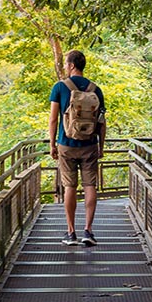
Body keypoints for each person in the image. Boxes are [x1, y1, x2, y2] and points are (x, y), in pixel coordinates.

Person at [48, 49, 106, 246]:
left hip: (67, 145)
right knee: (90, 186)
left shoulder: (60, 87)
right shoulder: (95, 89)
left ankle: (71, 232)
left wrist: (52, 144)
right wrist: (101, 146)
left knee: (69, 186)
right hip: (90, 144)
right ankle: (88, 231)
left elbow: (54, 119)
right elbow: (102, 122)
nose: (65, 66)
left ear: (72, 65)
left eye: (66, 63)